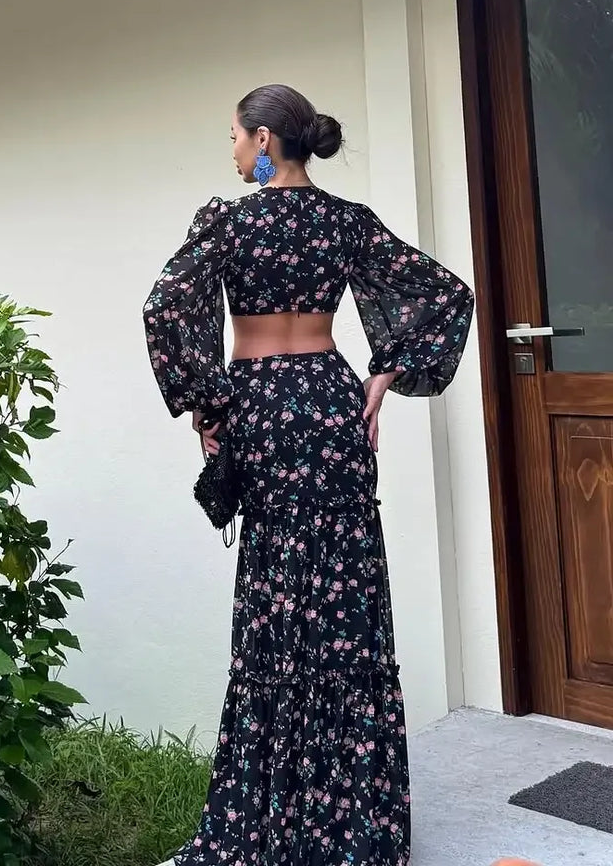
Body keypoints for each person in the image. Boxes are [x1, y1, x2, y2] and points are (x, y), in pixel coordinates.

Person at [142, 84, 474, 865]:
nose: (229, 151)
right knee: (348, 603)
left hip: (261, 409)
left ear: (263, 140)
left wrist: (209, 405)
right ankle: (354, 822)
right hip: (331, 403)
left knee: (276, 600)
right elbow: (443, 294)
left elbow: (165, 308)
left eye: (232, 137)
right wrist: (384, 375)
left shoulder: (227, 223)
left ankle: (273, 817)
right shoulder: (348, 222)